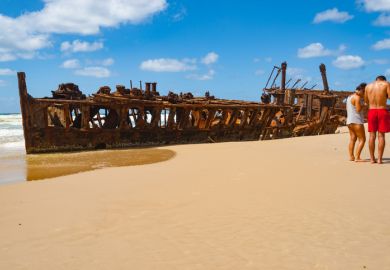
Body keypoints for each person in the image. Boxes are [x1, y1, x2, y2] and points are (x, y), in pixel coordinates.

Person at [364, 75, 390, 164]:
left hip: (371, 110)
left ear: (376, 80)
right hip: (382, 110)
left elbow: (366, 100)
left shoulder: (368, 86)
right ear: (384, 80)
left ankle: (372, 159)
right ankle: (379, 159)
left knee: (372, 135)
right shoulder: (386, 84)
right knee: (381, 136)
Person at [347, 83, 366, 161]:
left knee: (352, 139)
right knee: (362, 139)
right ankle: (357, 157)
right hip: (357, 121)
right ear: (361, 90)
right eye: (364, 91)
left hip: (349, 121)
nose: (365, 93)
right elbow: (358, 110)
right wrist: (364, 105)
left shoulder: (349, 97)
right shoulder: (357, 98)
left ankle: (351, 157)